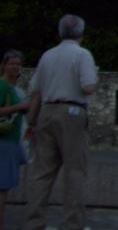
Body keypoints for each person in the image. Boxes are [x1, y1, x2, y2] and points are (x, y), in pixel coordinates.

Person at [24, 14, 98, 230]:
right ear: (81, 33)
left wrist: (31, 121)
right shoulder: (82, 55)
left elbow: (36, 90)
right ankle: (72, 224)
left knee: (42, 173)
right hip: (72, 112)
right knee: (75, 171)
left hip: (46, 111)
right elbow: (88, 87)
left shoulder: (47, 55)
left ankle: (34, 222)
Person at [0, 50, 29, 230]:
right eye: (12, 63)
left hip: (12, 141)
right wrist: (20, 106)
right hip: (4, 142)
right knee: (2, 190)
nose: (15, 67)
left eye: (18, 64)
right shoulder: (3, 87)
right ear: (4, 65)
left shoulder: (16, 89)